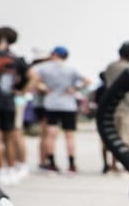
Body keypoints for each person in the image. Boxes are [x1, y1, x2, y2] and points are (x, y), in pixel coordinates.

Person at [30, 45, 87, 174]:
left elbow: (33, 79)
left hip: (51, 104)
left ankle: (52, 163)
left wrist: (43, 87)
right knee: (70, 136)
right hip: (68, 105)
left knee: (51, 135)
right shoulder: (71, 69)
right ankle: (71, 164)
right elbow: (87, 81)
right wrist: (75, 89)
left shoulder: (44, 68)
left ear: (54, 54)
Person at [98, 41, 129, 173]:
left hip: (109, 108)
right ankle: (123, 165)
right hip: (128, 108)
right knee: (126, 139)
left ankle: (111, 165)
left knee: (110, 138)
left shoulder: (110, 67)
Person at [0, 26, 28, 183]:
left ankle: (1, 170)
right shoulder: (14, 59)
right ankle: (12, 169)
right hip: (8, 101)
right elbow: (32, 76)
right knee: (10, 138)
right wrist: (21, 90)